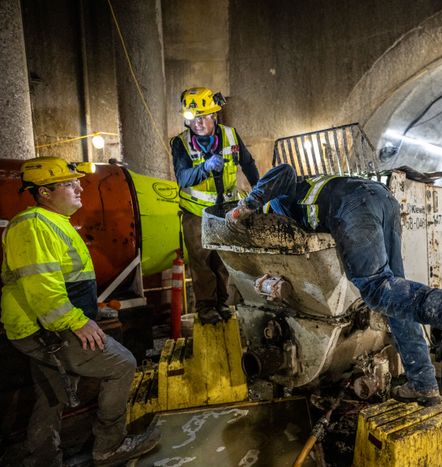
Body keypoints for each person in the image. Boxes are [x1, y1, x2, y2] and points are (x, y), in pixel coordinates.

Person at [228, 164, 442, 406]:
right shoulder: (299, 199)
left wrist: (247, 206)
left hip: (353, 205)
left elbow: (284, 170)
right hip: (382, 199)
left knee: (377, 289)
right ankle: (424, 383)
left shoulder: (278, 195)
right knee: (396, 295)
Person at [1, 157, 159, 466]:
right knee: (122, 364)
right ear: (44, 192)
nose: (79, 187)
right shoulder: (34, 225)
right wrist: (76, 321)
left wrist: (92, 310)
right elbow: (42, 286)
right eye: (68, 184)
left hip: (42, 324)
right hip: (47, 327)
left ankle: (43, 455)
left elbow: (66, 280)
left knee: (52, 393)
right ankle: (109, 446)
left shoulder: (53, 223)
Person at [171, 87, 260, 324]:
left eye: (203, 116)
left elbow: (249, 165)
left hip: (226, 211)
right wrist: (205, 167)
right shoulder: (181, 143)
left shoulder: (231, 136)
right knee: (201, 262)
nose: (197, 123)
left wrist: (260, 194)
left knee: (222, 260)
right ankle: (206, 307)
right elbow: (183, 178)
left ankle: (222, 304)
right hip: (195, 213)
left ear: (214, 115)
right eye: (192, 118)